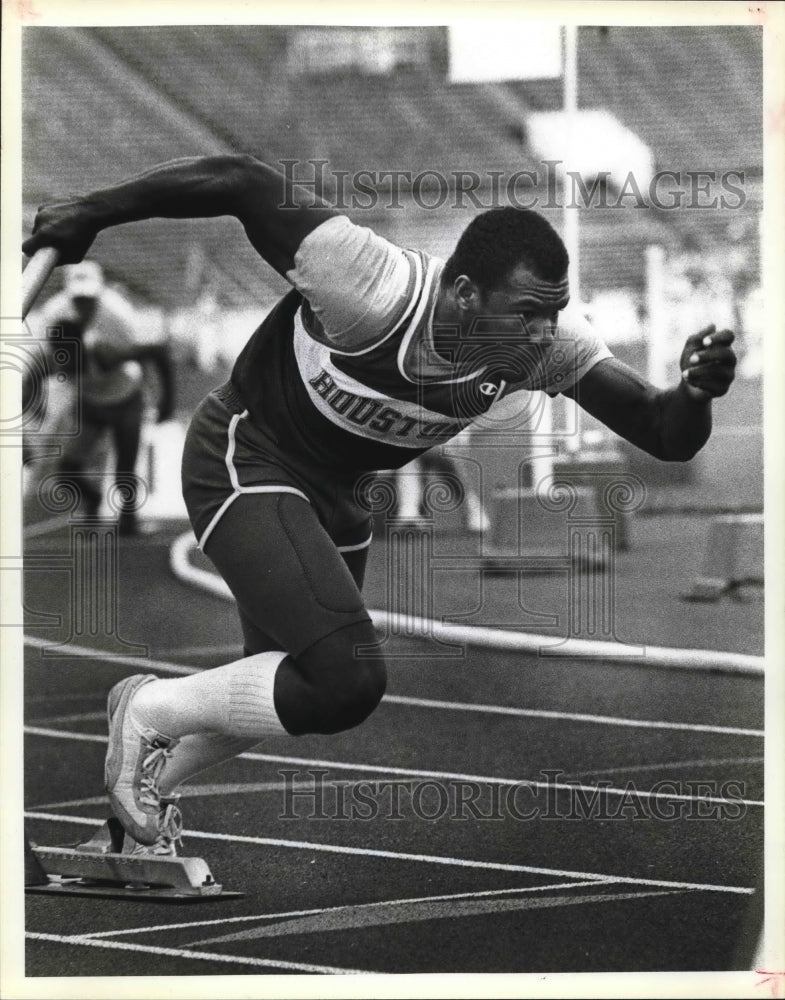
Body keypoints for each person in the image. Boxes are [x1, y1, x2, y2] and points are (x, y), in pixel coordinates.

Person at [23, 154, 736, 854]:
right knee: (346, 679)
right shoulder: (369, 285)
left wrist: (696, 393)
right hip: (248, 458)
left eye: (551, 316)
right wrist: (92, 212)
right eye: (524, 315)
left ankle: (131, 814)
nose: (541, 336)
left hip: (336, 497)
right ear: (462, 294)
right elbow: (241, 182)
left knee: (282, 688)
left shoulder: (544, 348)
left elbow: (662, 432)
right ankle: (143, 708)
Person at [24, 261, 175, 536]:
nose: (63, 366)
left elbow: (157, 352)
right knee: (66, 470)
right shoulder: (57, 347)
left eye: (67, 359)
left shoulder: (105, 351)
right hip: (92, 404)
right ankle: (93, 499)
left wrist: (167, 401)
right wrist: (25, 433)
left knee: (125, 468)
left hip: (125, 398)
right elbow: (28, 384)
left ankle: (129, 517)